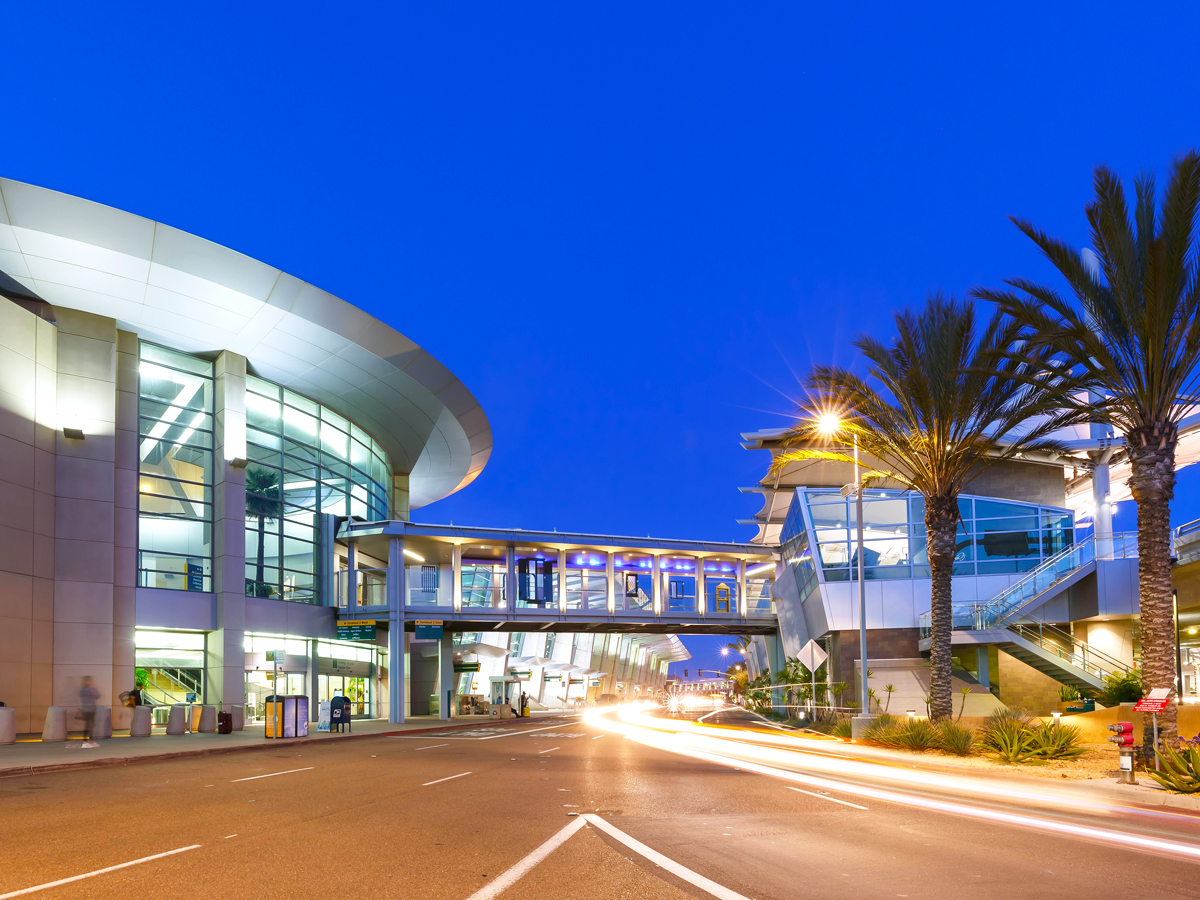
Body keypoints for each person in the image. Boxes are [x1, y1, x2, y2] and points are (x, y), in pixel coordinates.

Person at [79, 676, 100, 748]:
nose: (90, 682)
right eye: (88, 681)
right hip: (86, 709)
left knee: (92, 725)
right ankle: (85, 742)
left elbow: (98, 695)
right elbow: (96, 695)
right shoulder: (84, 689)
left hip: (92, 709)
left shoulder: (89, 689)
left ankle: (91, 741)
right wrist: (93, 689)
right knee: (87, 725)